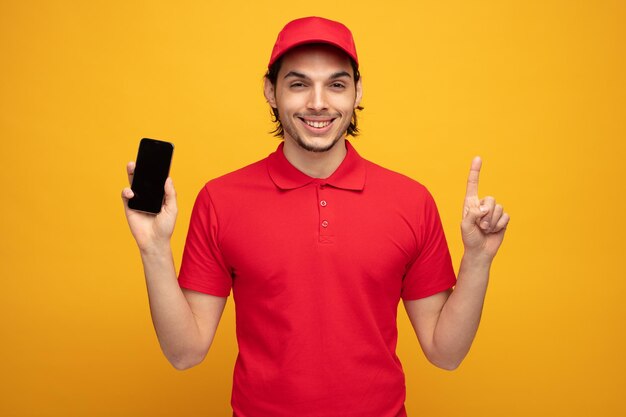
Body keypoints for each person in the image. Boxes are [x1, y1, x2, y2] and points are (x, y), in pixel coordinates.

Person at [121, 16, 509, 417]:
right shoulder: (220, 200)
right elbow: (185, 353)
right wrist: (153, 249)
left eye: (337, 85)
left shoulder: (411, 200)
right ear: (271, 91)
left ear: (358, 92)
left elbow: (445, 353)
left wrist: (478, 260)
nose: (318, 102)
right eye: (299, 83)